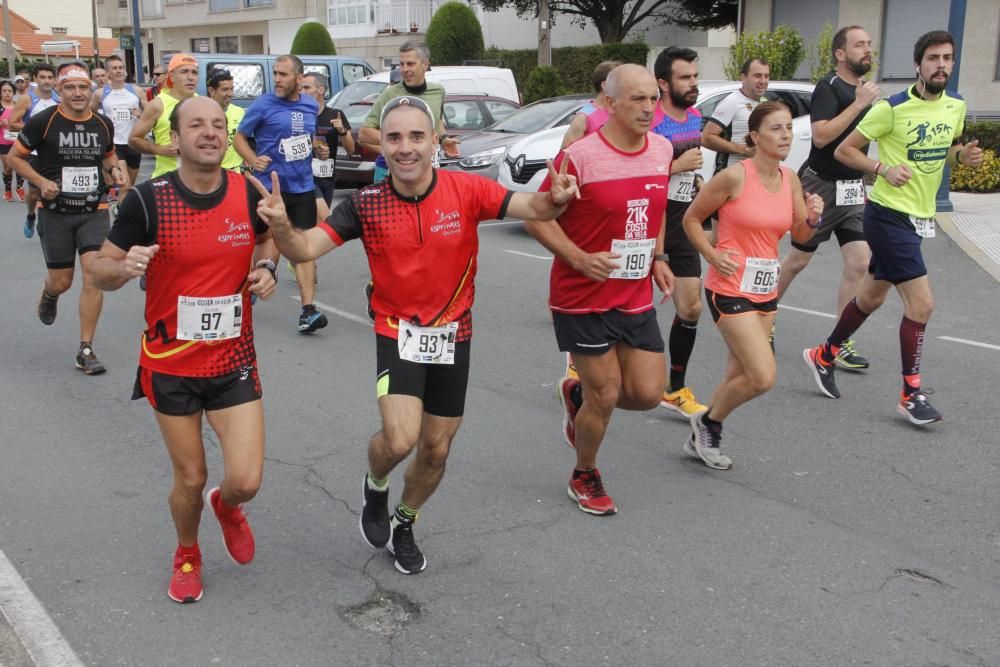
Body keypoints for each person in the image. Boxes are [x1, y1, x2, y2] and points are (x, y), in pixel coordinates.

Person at [253, 95, 579, 573]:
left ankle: (405, 521)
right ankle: (376, 483)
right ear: (379, 146)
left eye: (416, 137)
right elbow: (303, 249)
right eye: (394, 138)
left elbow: (536, 206)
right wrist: (281, 226)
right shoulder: (365, 205)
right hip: (397, 328)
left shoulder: (466, 190)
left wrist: (557, 195)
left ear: (434, 141)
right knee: (400, 438)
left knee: (437, 447)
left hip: (454, 331)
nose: (405, 148)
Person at [90, 96, 279, 604]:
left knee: (247, 478)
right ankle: (188, 552)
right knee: (190, 477)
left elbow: (268, 240)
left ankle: (229, 506)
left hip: (233, 359)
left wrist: (267, 268)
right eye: (196, 124)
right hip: (170, 364)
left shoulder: (245, 191)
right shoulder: (148, 200)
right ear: (175, 139)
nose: (210, 132)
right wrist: (125, 266)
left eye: (218, 124)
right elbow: (99, 270)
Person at [803, 30, 983, 425]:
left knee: (871, 298)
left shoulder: (955, 106)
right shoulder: (892, 108)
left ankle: (823, 354)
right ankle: (910, 393)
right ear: (917, 65)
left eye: (947, 58)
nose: (941, 65)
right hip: (887, 215)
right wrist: (883, 168)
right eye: (933, 58)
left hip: (919, 216)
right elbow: (842, 150)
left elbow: (945, 151)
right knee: (922, 305)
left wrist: (962, 155)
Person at [525, 64, 676, 515]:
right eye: (637, 99)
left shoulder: (663, 149)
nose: (649, 108)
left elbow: (656, 208)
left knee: (648, 393)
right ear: (609, 103)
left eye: (653, 98)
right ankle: (584, 473)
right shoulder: (580, 157)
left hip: (633, 294)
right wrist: (578, 257)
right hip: (582, 296)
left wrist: (658, 258)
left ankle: (577, 397)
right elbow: (535, 216)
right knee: (606, 394)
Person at [682, 101, 823, 468]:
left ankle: (704, 436)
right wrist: (710, 257)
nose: (786, 135)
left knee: (738, 374)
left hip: (765, 289)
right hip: (728, 287)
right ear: (756, 137)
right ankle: (707, 422)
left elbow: (799, 233)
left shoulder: (790, 178)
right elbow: (691, 220)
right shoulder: (734, 177)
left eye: (789, 128)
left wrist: (813, 218)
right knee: (762, 377)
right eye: (776, 129)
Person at [7, 61, 126, 374]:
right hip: (56, 213)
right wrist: (42, 182)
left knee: (94, 275)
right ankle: (50, 294)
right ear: (59, 91)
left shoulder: (102, 124)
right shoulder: (43, 122)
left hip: (93, 210)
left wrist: (114, 169)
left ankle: (85, 348)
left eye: (83, 87)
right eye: (70, 87)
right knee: (62, 281)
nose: (77, 93)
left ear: (91, 90)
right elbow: (14, 158)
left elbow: (109, 155)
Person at [774, 27, 880, 370]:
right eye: (859, 45)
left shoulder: (863, 89)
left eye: (868, 44)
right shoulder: (829, 87)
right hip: (820, 187)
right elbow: (821, 137)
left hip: (852, 189)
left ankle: (840, 340)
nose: (868, 50)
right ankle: (762, 315)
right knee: (798, 260)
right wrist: (860, 105)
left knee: (860, 262)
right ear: (840, 53)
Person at [234, 54, 328, 334]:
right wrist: (252, 158)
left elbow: (307, 138)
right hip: (266, 187)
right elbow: (240, 137)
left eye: (284, 74)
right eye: (275, 73)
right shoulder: (263, 104)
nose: (277, 79)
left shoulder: (310, 105)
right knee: (257, 241)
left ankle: (308, 310)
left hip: (302, 186)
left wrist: (318, 148)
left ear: (299, 79)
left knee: (303, 247)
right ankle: (246, 291)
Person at [650, 46, 710, 418]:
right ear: (663, 83)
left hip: (684, 217)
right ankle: (579, 363)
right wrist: (675, 166)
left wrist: (697, 180)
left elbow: (690, 168)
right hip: (649, 219)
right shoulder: (651, 121)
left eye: (695, 76)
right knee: (620, 303)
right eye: (685, 77)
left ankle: (675, 386)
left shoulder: (695, 117)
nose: (693, 83)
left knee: (691, 305)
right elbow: (639, 175)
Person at [359, 41, 459, 184]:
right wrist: (401, 142)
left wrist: (444, 139)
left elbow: (436, 120)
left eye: (410, 64)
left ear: (425, 65)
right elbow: (364, 133)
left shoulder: (437, 91)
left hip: (428, 171)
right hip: (394, 173)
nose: (404, 69)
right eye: (402, 64)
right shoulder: (391, 94)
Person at [9, 63, 59, 238]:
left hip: (57, 153)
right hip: (34, 153)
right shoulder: (27, 99)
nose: (46, 81)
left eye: (50, 77)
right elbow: (13, 123)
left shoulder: (60, 99)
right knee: (35, 193)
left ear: (54, 80)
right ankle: (31, 215)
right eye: (42, 77)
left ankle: (55, 224)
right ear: (36, 80)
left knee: (57, 189)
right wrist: (36, 129)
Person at [130, 53, 199, 179]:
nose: (191, 77)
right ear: (172, 76)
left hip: (198, 181)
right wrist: (158, 149)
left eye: (194, 72)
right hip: (167, 181)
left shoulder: (202, 103)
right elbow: (134, 139)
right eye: (184, 72)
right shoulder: (158, 104)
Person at [702, 57, 770, 176]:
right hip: (729, 177)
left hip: (752, 177)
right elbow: (706, 137)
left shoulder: (764, 103)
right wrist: (745, 150)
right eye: (757, 76)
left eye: (766, 76)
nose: (763, 81)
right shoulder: (732, 102)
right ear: (743, 78)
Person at [92, 53, 147, 188]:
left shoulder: (136, 90)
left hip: (133, 142)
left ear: (125, 71)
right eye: (115, 68)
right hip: (114, 143)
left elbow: (150, 114)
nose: (119, 71)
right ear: (108, 73)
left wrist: (141, 115)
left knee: (130, 184)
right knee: (124, 183)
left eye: (121, 67)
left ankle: (119, 204)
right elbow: (90, 115)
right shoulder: (100, 93)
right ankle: (120, 206)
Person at [300, 71, 354, 206]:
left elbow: (351, 149)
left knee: (322, 220)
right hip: (304, 176)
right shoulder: (298, 115)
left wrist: (342, 132)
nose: (302, 92)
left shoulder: (336, 115)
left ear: (321, 90)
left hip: (326, 176)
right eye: (300, 88)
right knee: (318, 215)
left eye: (306, 88)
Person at [559, 60, 621, 150]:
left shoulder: (622, 111)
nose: (624, 85)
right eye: (619, 81)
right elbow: (566, 157)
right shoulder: (584, 117)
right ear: (605, 85)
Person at [206, 68, 245, 172]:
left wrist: (247, 169)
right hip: (212, 174)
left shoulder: (239, 112)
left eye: (231, 89)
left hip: (236, 173)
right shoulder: (201, 114)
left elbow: (244, 143)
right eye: (225, 89)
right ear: (211, 91)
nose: (230, 93)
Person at [0, 80, 17, 202]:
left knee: (21, 166)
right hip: (3, 141)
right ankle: (7, 190)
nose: (7, 93)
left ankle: (20, 188)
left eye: (10, 91)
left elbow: (24, 121)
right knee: (8, 168)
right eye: (4, 91)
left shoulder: (18, 105)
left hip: (17, 141)